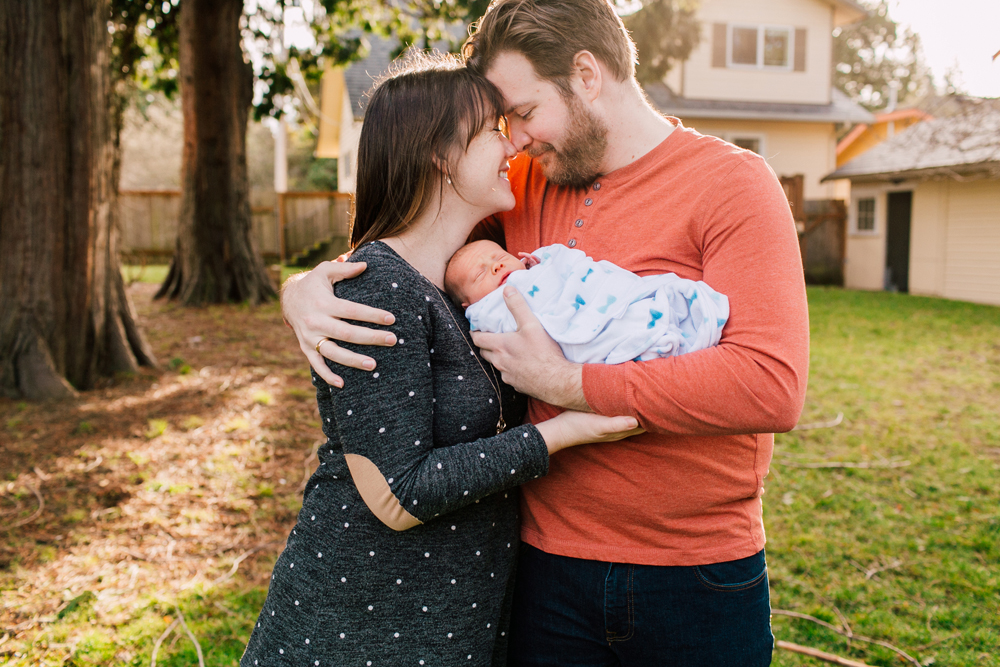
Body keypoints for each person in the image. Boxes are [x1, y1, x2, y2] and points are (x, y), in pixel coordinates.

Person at [280, 0, 810, 663]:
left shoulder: (732, 184)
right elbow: (402, 249)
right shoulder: (522, 183)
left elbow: (770, 385)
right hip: (542, 567)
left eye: (524, 113)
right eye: (504, 124)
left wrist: (569, 385)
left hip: (694, 574)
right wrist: (302, 289)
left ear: (586, 75)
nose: (517, 138)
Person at [242, 55, 639, 667]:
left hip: (452, 620)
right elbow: (397, 496)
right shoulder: (378, 289)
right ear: (438, 153)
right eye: (490, 131)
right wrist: (563, 433)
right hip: (362, 627)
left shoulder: (472, 278)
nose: (511, 145)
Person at [444, 239, 730, 364]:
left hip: (594, 301)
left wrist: (539, 264)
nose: (495, 267)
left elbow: (571, 268)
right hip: (572, 333)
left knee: (642, 305)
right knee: (626, 329)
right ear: (469, 306)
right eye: (480, 272)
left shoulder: (542, 265)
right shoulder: (487, 314)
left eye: (500, 258)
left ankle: (662, 314)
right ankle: (654, 334)